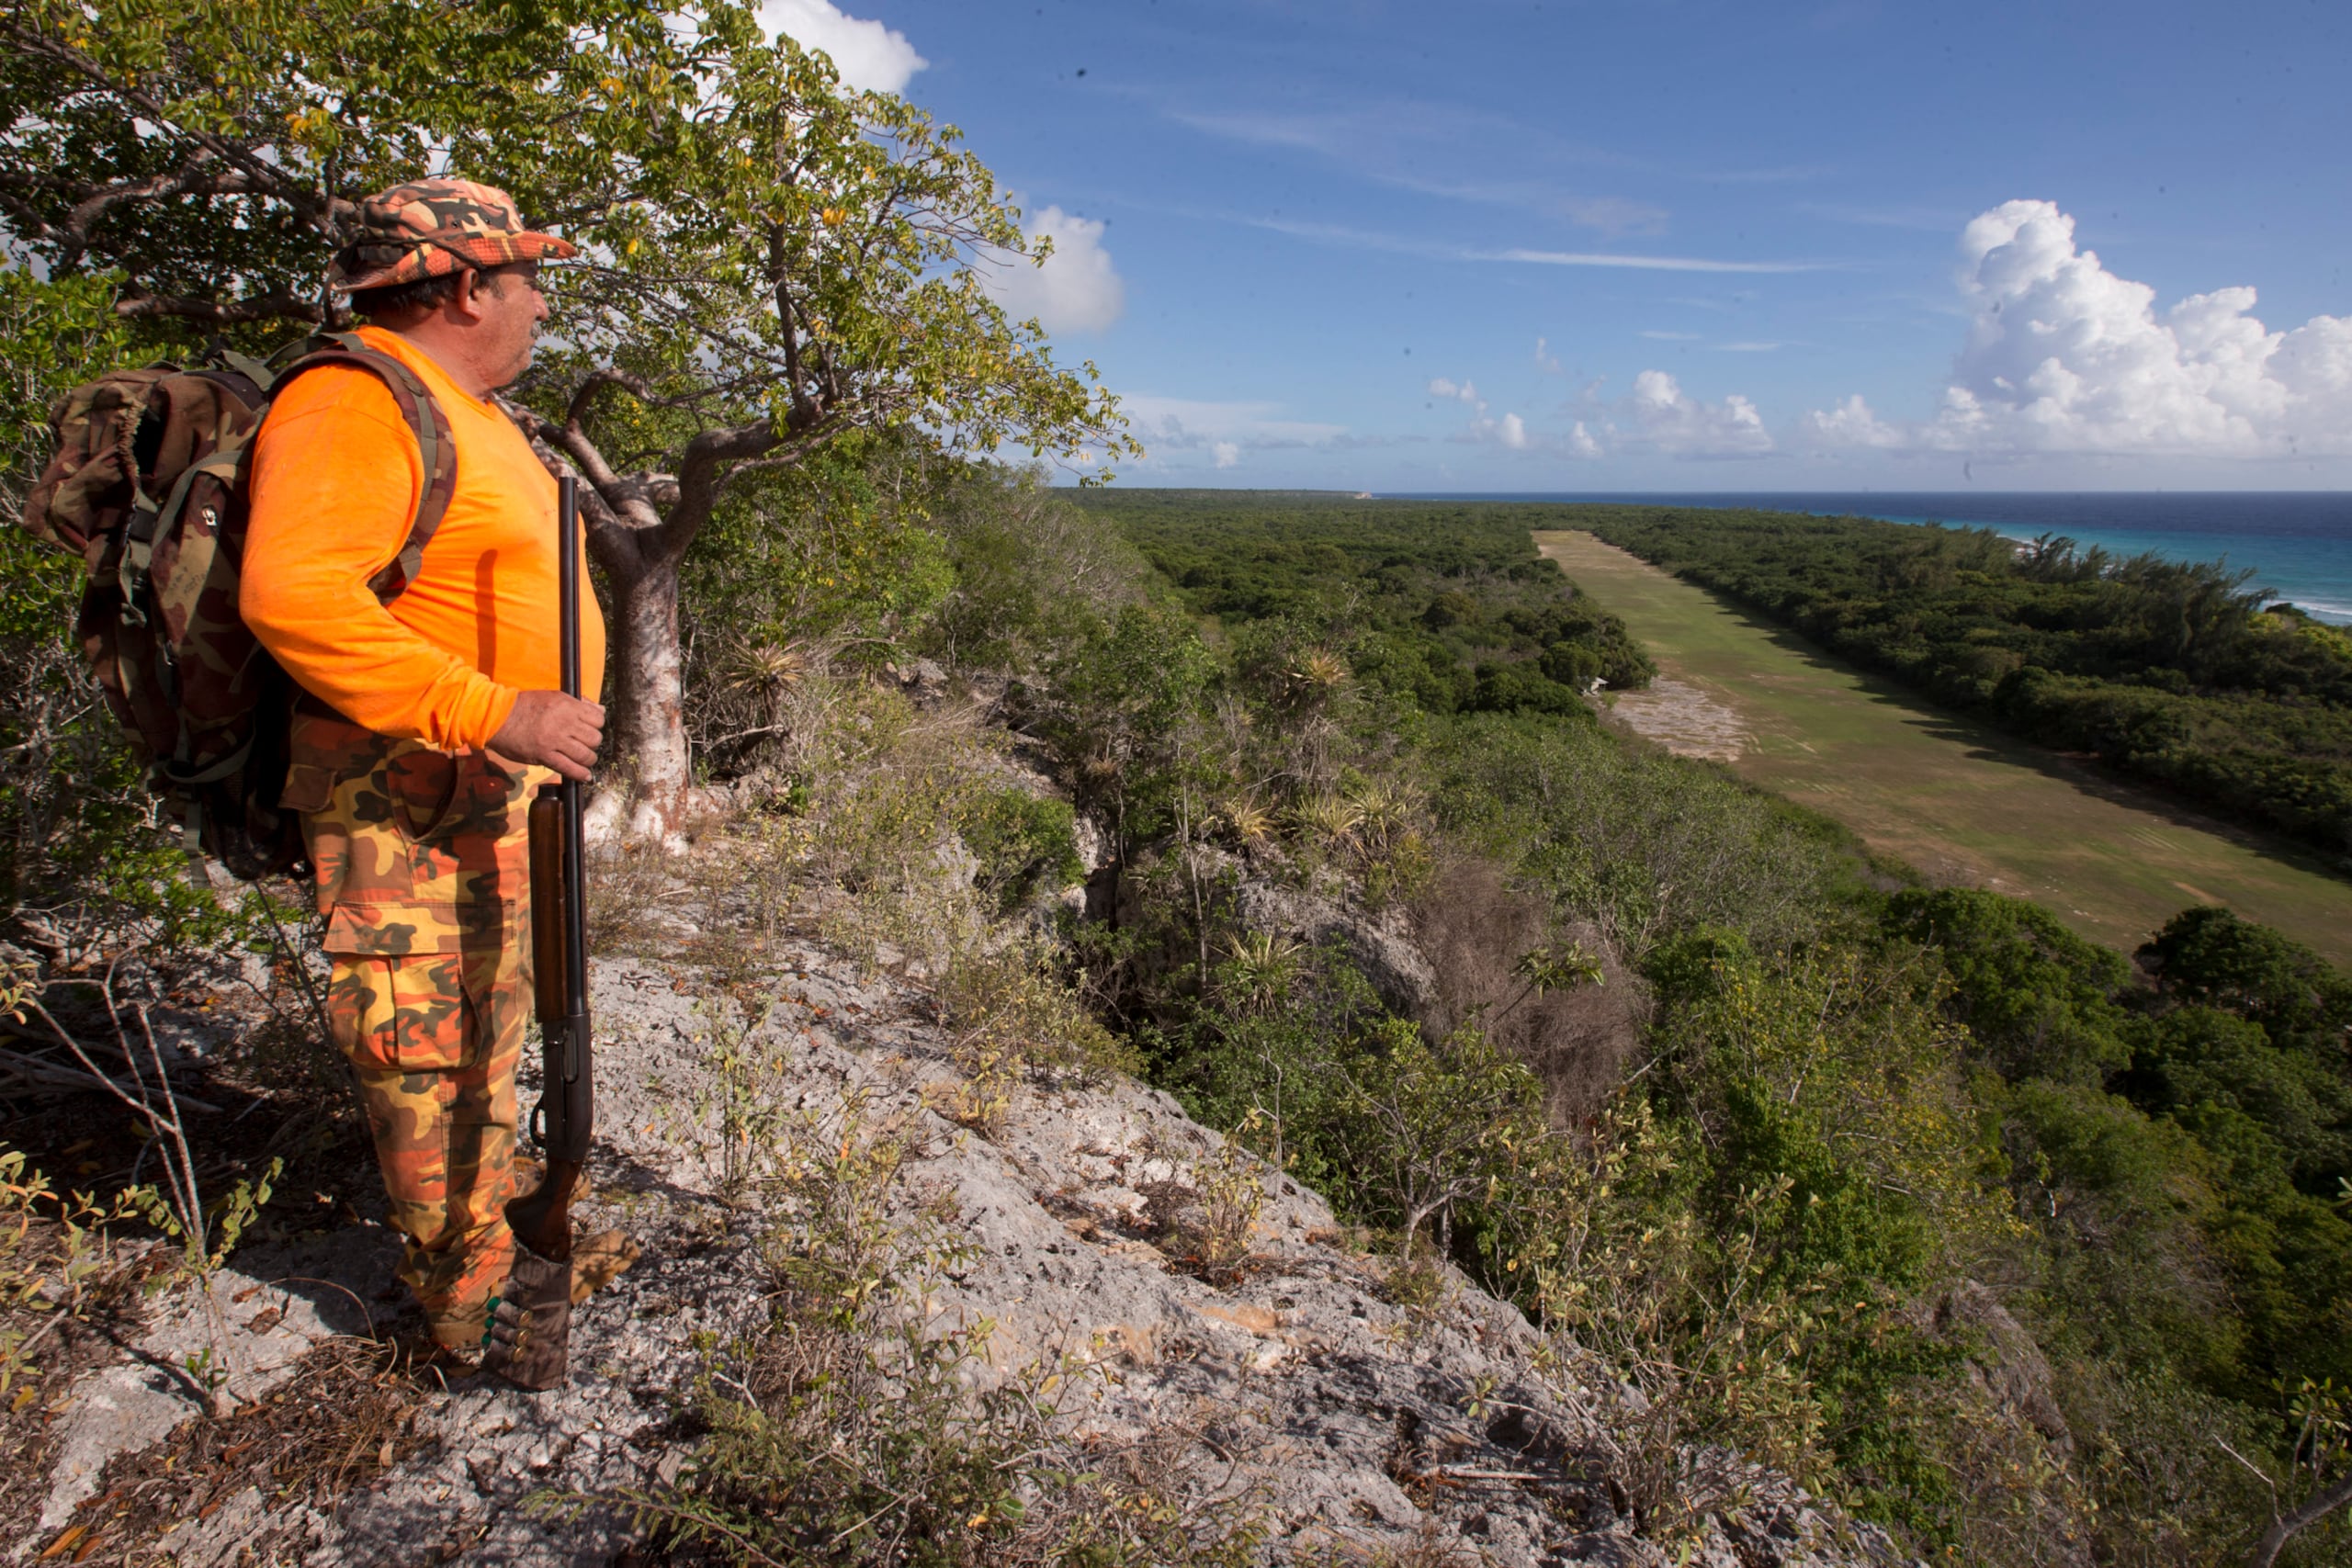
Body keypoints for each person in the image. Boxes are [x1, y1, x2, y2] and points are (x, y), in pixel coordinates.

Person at [243, 177, 628, 1359]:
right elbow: (292, 594)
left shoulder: (464, 407)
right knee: (426, 1051)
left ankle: (502, 1234)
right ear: (466, 286)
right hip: (403, 789)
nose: (541, 308)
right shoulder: (353, 400)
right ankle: (471, 1309)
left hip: (480, 787)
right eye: (527, 283)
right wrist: (491, 709)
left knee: (490, 1029)